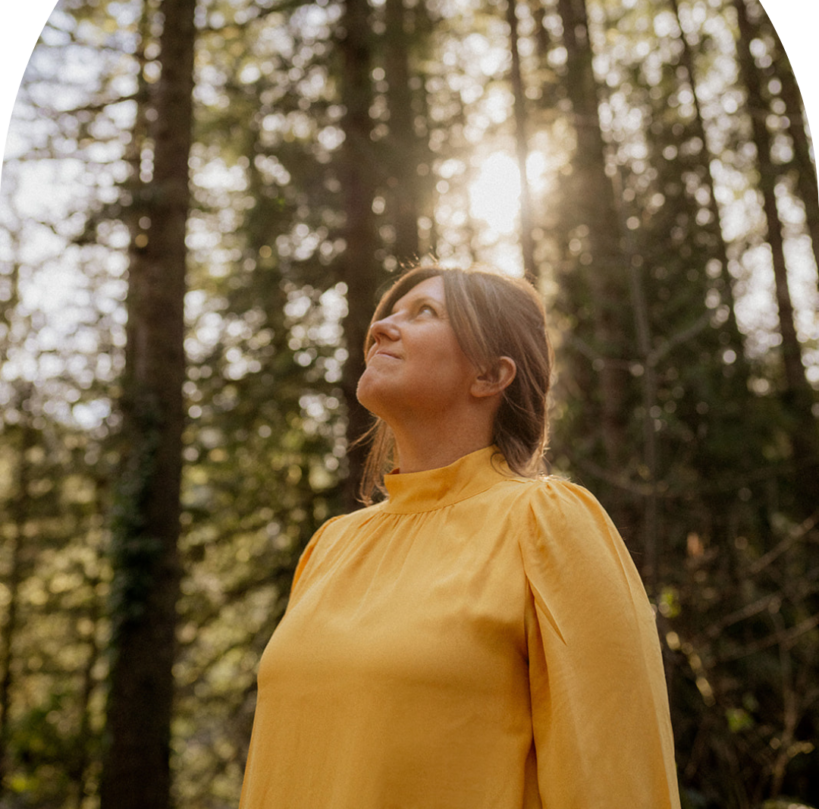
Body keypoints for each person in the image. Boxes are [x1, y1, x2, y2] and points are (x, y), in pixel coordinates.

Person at [239, 264, 681, 809]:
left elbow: (617, 778)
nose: (380, 329)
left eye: (424, 313)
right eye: (389, 314)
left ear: (491, 376)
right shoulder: (330, 546)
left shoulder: (547, 523)